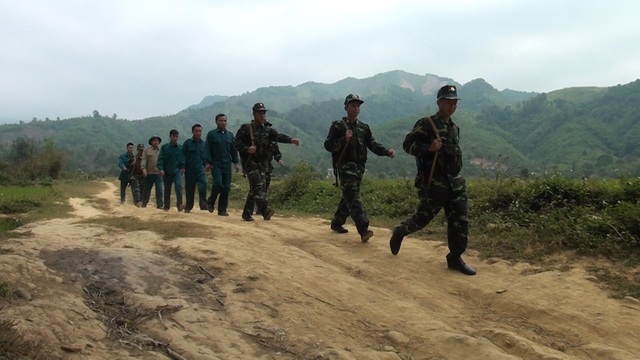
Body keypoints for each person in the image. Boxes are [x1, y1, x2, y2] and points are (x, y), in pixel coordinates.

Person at [389, 85, 476, 276]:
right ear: (439, 102)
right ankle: (400, 231)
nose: (452, 105)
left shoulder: (454, 128)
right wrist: (427, 148)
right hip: (435, 183)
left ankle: (455, 258)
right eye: (448, 101)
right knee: (423, 218)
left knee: (460, 221)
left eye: (454, 102)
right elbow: (407, 145)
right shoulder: (427, 124)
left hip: (455, 183)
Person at [324, 94, 395, 242]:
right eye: (353, 105)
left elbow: (373, 145)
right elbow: (328, 145)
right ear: (346, 107)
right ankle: (363, 228)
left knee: (348, 196)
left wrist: (386, 152)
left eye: (358, 106)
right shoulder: (338, 126)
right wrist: (344, 139)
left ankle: (337, 223)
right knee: (353, 196)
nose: (356, 108)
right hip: (344, 167)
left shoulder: (363, 128)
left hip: (359, 168)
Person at [234, 103, 300, 221]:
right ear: (254, 114)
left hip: (263, 164)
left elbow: (278, 137)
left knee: (259, 188)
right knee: (257, 187)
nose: (262, 115)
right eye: (260, 113)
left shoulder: (268, 130)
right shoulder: (246, 128)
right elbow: (236, 143)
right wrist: (247, 149)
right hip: (251, 163)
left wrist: (290, 140)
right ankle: (265, 210)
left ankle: (247, 213)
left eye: (264, 113)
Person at [205, 114, 240, 216]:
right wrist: (208, 163)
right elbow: (207, 149)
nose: (223, 122)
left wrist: (236, 163)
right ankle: (211, 202)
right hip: (216, 164)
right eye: (221, 120)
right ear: (216, 122)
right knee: (218, 183)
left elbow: (233, 150)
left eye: (225, 120)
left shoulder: (230, 135)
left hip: (227, 164)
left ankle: (222, 210)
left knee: (226, 187)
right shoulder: (211, 134)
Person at [253, 121, 283, 216]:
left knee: (265, 185)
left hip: (268, 165)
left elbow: (276, 151)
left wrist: (279, 159)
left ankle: (260, 208)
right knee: (259, 187)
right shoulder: (257, 139)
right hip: (257, 165)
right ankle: (261, 208)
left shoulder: (272, 142)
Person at [157, 129, 185, 212]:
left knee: (179, 186)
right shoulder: (165, 148)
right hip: (167, 172)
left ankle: (180, 205)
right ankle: (166, 206)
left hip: (177, 172)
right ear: (170, 137)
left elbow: (183, 159)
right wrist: (161, 169)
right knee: (167, 189)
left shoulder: (181, 148)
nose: (175, 138)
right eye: (173, 136)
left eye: (177, 136)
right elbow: (160, 160)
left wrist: (183, 167)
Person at [183, 124, 209, 213]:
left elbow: (206, 156)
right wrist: (182, 167)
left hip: (201, 170)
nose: (198, 133)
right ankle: (188, 206)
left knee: (203, 184)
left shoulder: (204, 144)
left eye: (200, 131)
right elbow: (183, 156)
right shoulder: (187, 143)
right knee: (190, 189)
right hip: (189, 170)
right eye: (196, 131)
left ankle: (203, 204)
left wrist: (207, 164)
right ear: (192, 132)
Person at [141, 135, 164, 209]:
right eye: (154, 140)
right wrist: (143, 169)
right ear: (151, 142)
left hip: (158, 173)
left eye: (157, 140)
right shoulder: (146, 150)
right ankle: (144, 204)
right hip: (149, 173)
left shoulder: (161, 150)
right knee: (147, 190)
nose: (156, 141)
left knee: (159, 189)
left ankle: (160, 205)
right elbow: (144, 160)